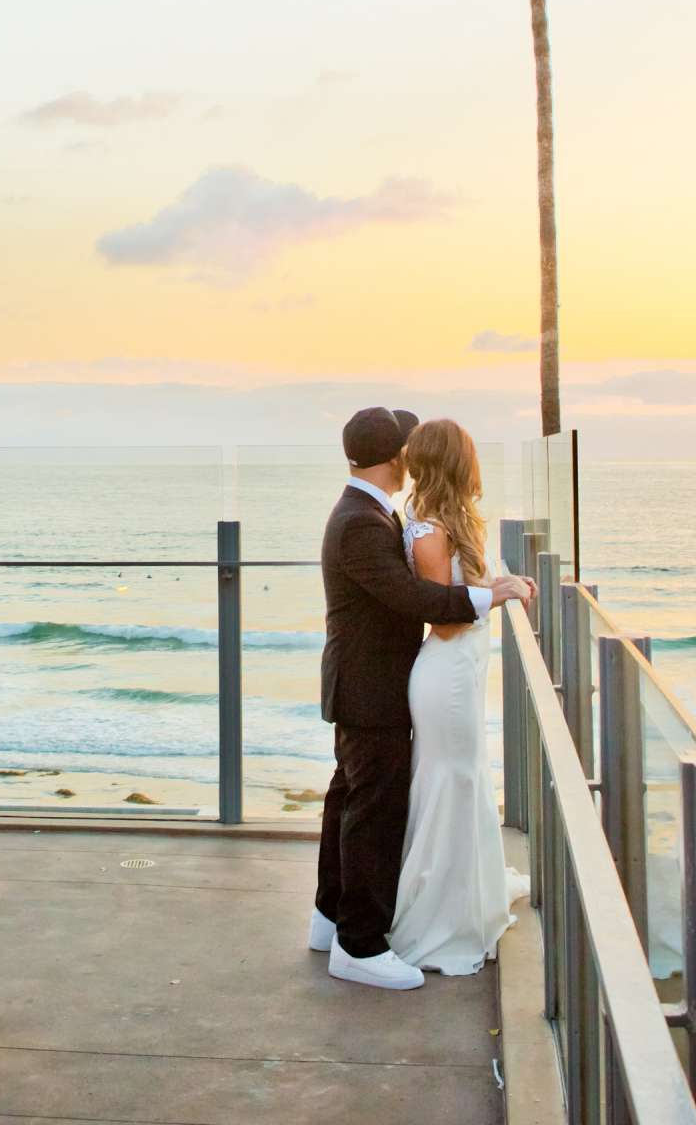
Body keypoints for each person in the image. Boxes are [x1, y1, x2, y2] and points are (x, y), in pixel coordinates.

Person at [310, 405, 533, 990]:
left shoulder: (369, 513)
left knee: (349, 798)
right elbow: (417, 602)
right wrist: (495, 595)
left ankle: (329, 916)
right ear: (394, 459)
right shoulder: (361, 521)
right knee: (372, 811)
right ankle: (357, 946)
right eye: (406, 449)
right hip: (370, 686)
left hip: (370, 681)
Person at [386, 417, 528, 975]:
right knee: (451, 781)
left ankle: (468, 896)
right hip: (445, 675)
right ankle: (437, 921)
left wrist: (501, 587)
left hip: (464, 674)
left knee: (466, 779)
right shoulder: (427, 531)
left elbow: (459, 596)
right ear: (453, 461)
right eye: (469, 454)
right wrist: (499, 594)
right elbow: (443, 619)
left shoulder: (448, 522)